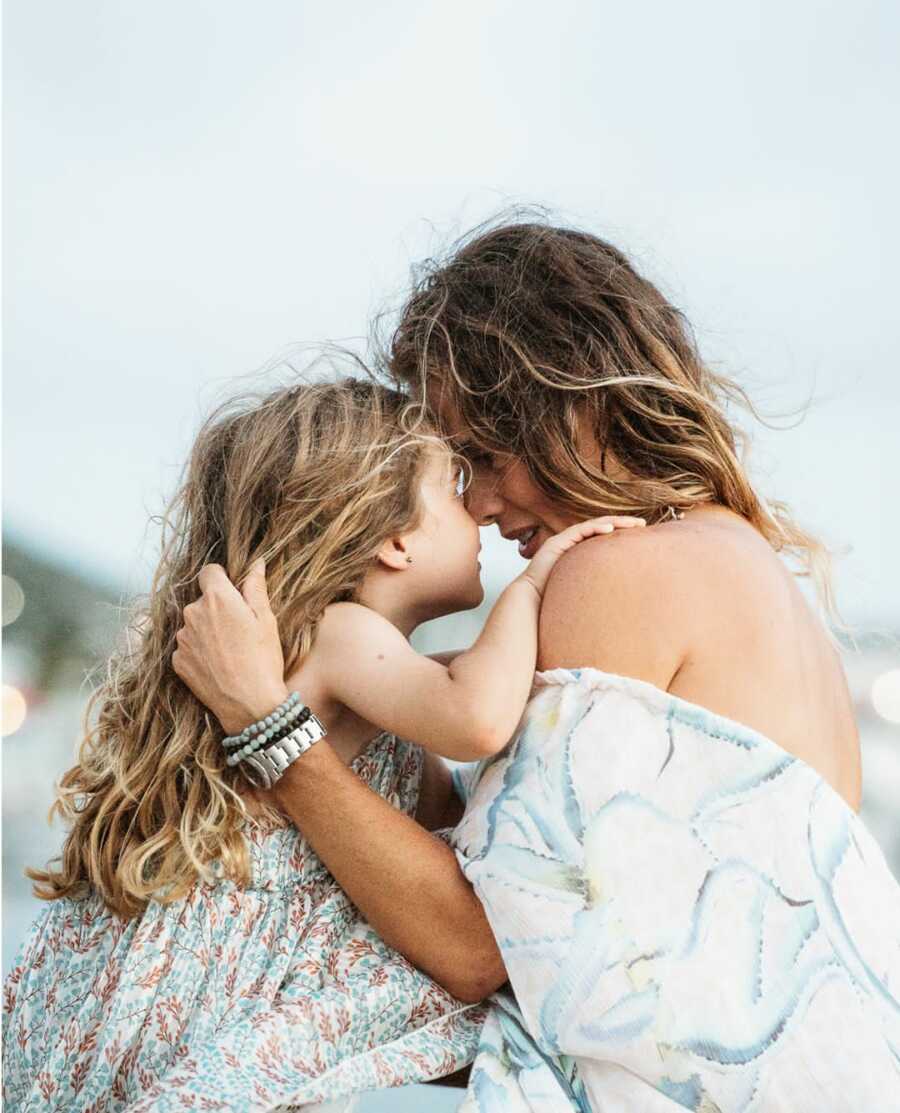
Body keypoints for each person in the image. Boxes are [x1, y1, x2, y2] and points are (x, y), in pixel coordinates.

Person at [174, 220, 900, 1111]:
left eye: (484, 456)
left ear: (572, 400)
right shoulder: (765, 585)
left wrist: (267, 727)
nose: (478, 505)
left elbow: (482, 946)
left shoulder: (617, 575)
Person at [2, 372, 639, 1113]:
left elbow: (455, 689)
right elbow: (477, 716)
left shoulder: (340, 662)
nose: (476, 509)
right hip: (227, 993)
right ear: (396, 541)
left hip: (190, 982)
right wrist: (533, 589)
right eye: (454, 484)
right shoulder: (344, 637)